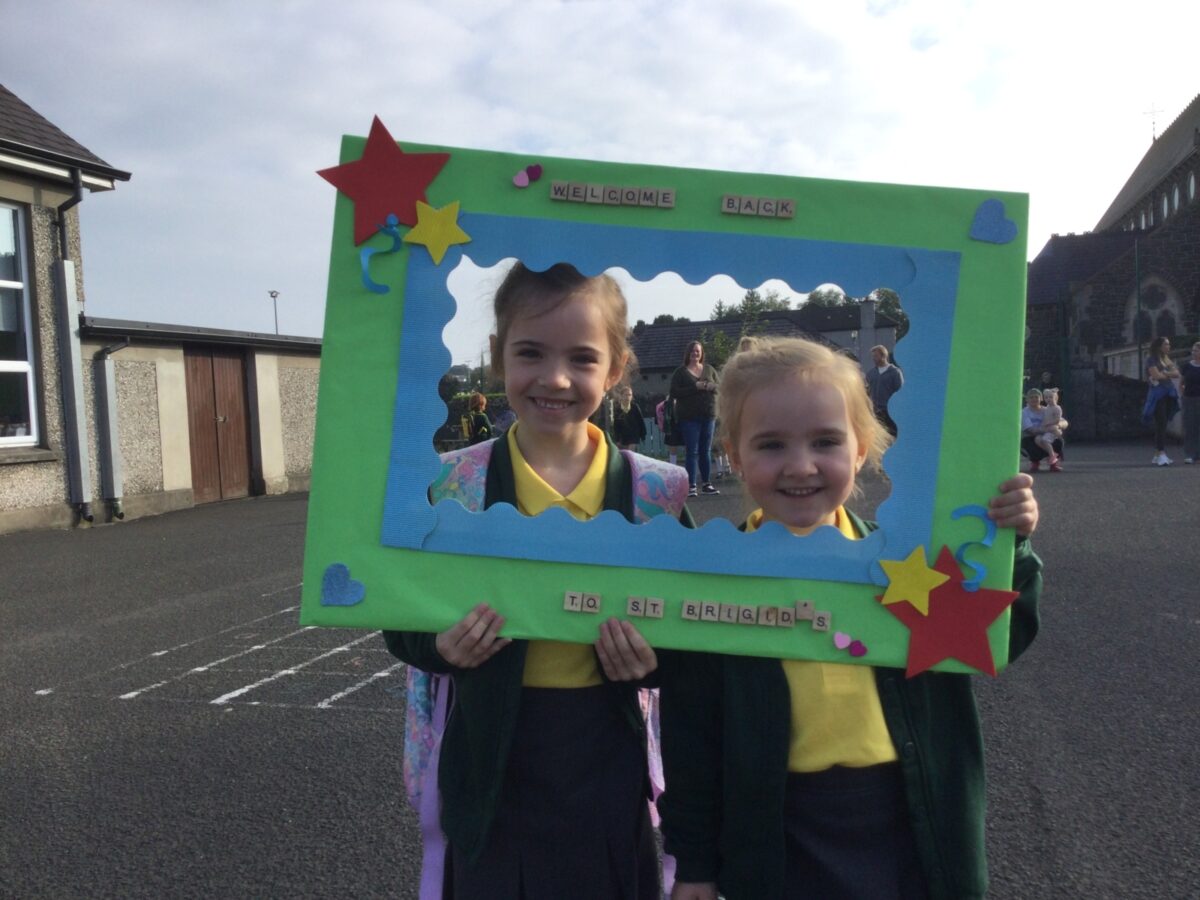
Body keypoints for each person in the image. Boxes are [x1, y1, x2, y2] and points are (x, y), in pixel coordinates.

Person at [659, 336, 1042, 900]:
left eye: (826, 441)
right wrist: (694, 862)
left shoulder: (908, 569)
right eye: (771, 444)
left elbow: (1004, 632)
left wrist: (1013, 547)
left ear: (860, 449)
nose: (801, 465)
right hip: (778, 836)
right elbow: (691, 737)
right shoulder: (715, 586)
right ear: (734, 456)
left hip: (908, 824)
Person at [384, 262, 690, 899]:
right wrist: (440, 646)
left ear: (616, 368)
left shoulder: (654, 494)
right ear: (498, 356)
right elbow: (400, 615)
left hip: (607, 756)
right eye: (530, 353)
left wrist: (655, 661)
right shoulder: (452, 484)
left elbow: (695, 630)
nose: (555, 378)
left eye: (582, 358)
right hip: (491, 758)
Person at [671, 340, 720, 496]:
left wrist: (712, 387)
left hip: (709, 415)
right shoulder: (680, 372)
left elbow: (720, 388)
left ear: (702, 353)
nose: (695, 354)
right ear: (688, 353)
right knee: (691, 451)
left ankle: (706, 484)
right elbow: (674, 392)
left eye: (698, 351)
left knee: (706, 450)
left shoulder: (710, 370)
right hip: (689, 417)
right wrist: (694, 387)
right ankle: (691, 485)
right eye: (692, 351)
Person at [1143, 336, 1181, 466]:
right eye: (1166, 344)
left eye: (1168, 344)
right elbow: (1155, 375)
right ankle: (1161, 452)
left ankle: (1158, 454)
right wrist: (1166, 374)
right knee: (1161, 422)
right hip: (1157, 394)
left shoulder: (1165, 359)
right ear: (1159, 346)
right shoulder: (1151, 359)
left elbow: (1176, 373)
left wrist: (1165, 374)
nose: (1168, 347)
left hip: (1167, 393)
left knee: (1163, 423)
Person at [864, 345, 903, 435]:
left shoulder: (895, 372)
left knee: (891, 435)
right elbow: (867, 392)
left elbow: (901, 393)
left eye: (876, 356)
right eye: (873, 356)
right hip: (875, 412)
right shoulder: (871, 373)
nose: (873, 358)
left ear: (883, 356)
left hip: (891, 413)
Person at [1020, 389, 1061, 473]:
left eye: (1036, 397)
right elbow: (1031, 430)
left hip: (1045, 435)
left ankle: (1053, 463)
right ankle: (1035, 462)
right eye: (1031, 397)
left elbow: (1064, 422)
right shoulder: (1024, 412)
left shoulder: (1048, 409)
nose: (1034, 399)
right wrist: (1052, 429)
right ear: (1027, 399)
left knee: (1059, 441)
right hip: (1030, 437)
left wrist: (1058, 426)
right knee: (1032, 443)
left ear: (1041, 398)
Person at [1034, 387, 1068, 464]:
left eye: (1050, 397)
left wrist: (1048, 423)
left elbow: (1057, 420)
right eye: (1046, 398)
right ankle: (1052, 453)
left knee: (1045, 440)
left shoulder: (1057, 408)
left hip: (1053, 429)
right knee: (1037, 439)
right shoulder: (1047, 407)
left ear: (1055, 398)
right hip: (1046, 429)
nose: (1048, 399)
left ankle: (1052, 455)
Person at [1180, 341, 1200, 464]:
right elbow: (1181, 383)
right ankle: (1190, 454)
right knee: (1190, 427)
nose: (1194, 353)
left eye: (1196, 350)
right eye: (1193, 350)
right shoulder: (1187, 366)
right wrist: (1184, 395)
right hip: (1189, 399)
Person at [611, 383, 648, 451]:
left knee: (630, 452)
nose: (628, 397)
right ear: (621, 396)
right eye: (626, 395)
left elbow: (640, 421)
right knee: (624, 454)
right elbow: (616, 425)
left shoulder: (635, 407)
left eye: (630, 395)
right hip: (623, 435)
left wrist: (643, 435)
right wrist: (617, 439)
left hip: (634, 435)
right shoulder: (618, 409)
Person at [657, 394, 683, 466]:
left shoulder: (683, 401)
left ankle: (688, 467)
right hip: (671, 427)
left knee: (688, 447)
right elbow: (659, 411)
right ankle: (673, 466)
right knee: (672, 448)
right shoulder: (666, 403)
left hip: (683, 425)